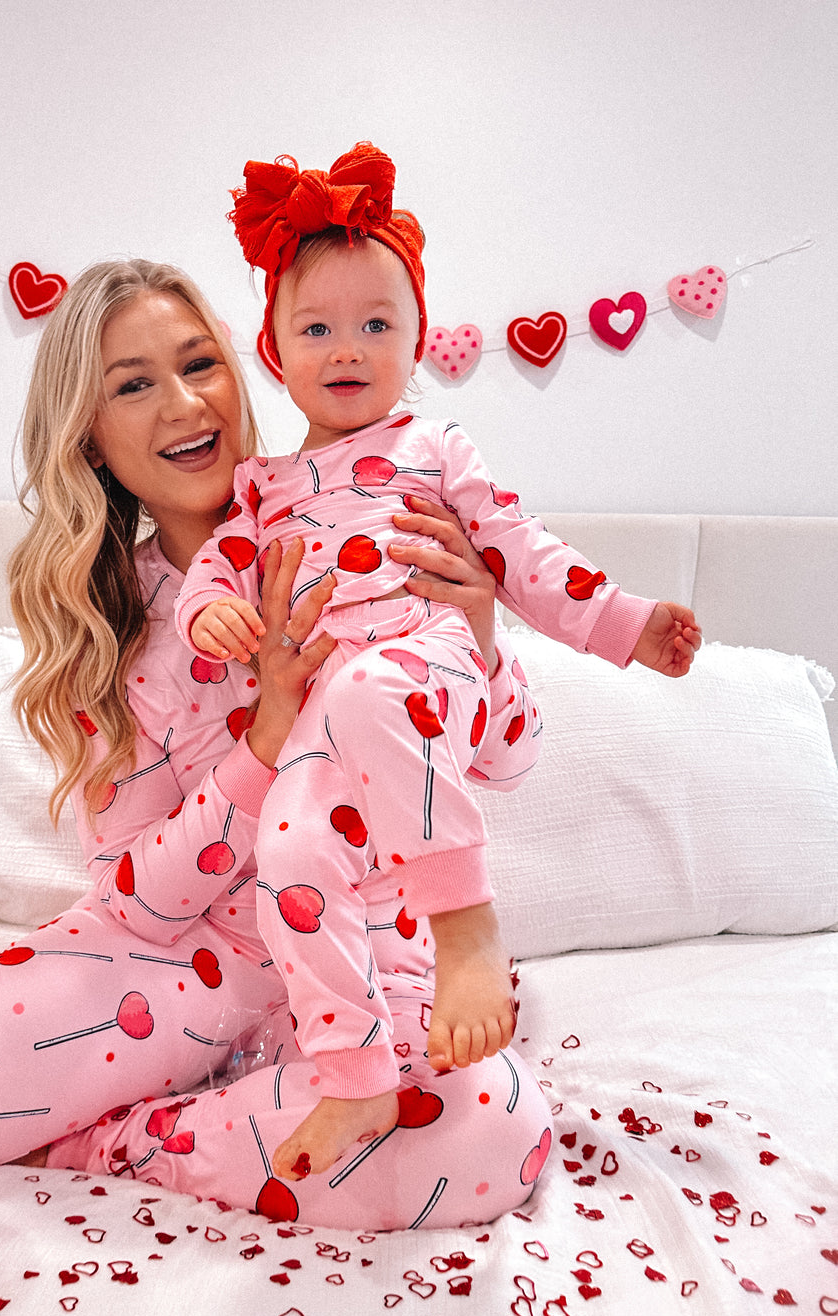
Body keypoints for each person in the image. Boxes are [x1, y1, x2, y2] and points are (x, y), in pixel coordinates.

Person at [0, 255, 553, 1231]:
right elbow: (136, 898)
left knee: (490, 1127)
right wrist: (263, 744)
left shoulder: (370, 525)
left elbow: (506, 760)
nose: (182, 403)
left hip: (370, 957)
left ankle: (109, 1140)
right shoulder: (114, 631)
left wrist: (480, 634)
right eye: (133, 385)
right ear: (90, 440)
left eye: (199, 364)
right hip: (190, 968)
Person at [176, 143, 701, 1182]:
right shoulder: (261, 486)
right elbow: (217, 570)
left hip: (426, 676)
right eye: (316, 328)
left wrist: (625, 623)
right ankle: (356, 1074)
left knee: (375, 686)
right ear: (273, 350)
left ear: (418, 336)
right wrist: (211, 618)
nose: (348, 348)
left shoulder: (436, 449)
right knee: (288, 849)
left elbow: (522, 551)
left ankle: (464, 931)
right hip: (325, 726)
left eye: (377, 324)